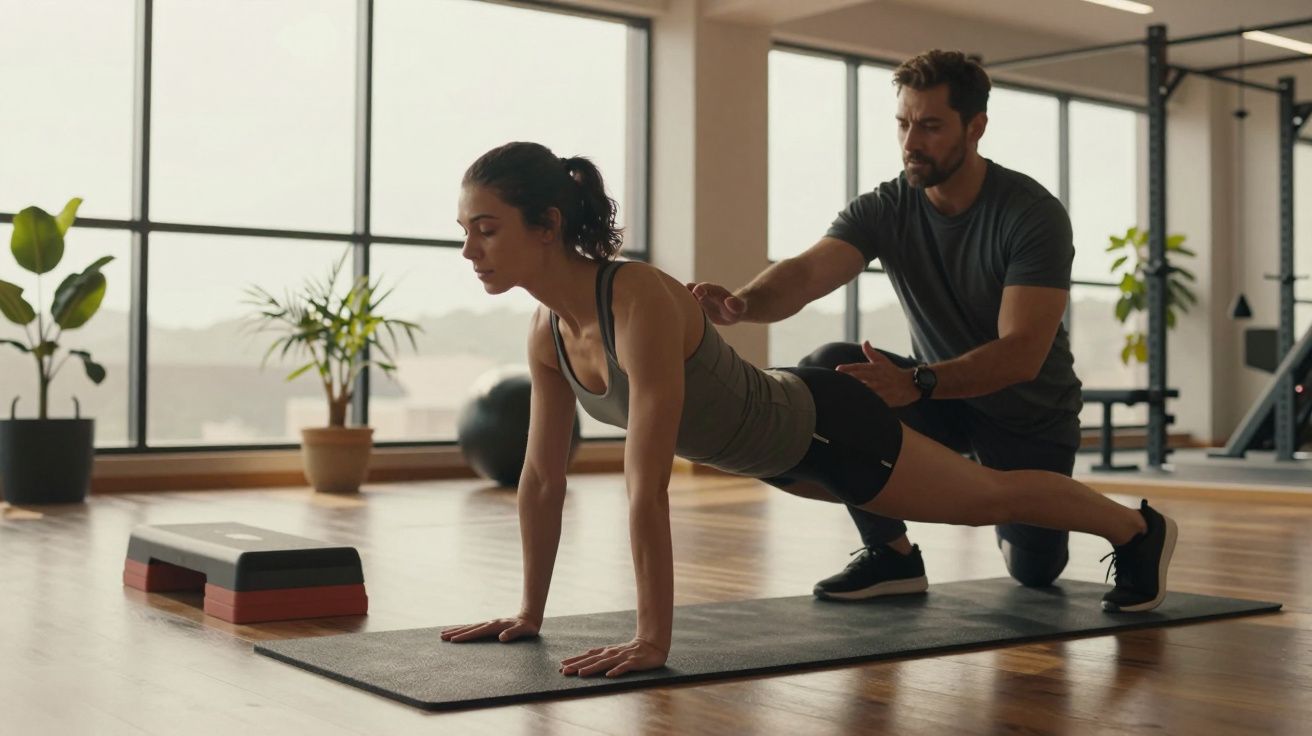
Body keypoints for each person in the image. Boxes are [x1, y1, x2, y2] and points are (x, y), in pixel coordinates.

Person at [438, 141, 1177, 679]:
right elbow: (540, 480)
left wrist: (652, 640)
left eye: (487, 227)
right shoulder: (547, 333)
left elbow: (647, 484)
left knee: (992, 498)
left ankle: (1139, 530)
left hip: (826, 430)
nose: (470, 248)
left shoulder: (635, 298)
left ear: (547, 223)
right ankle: (894, 561)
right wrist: (528, 613)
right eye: (465, 229)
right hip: (783, 458)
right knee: (985, 498)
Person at [689, 49, 1086, 601]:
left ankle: (1026, 530)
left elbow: (1021, 353)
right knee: (828, 372)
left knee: (1035, 571)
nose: (910, 142)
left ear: (976, 127)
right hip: (942, 400)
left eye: (930, 126)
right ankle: (891, 555)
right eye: (903, 122)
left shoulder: (1030, 214)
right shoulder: (886, 206)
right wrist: (741, 304)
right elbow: (806, 272)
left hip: (1027, 412)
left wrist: (919, 381)